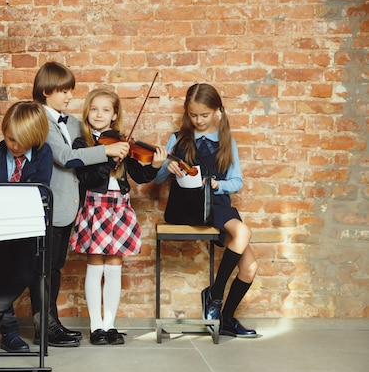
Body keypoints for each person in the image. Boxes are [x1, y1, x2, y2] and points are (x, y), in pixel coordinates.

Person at [29, 61, 130, 347]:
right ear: (46, 90)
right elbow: (65, 157)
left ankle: (51, 324)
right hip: (49, 204)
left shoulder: (71, 122)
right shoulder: (39, 119)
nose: (69, 97)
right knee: (43, 268)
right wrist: (106, 151)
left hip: (69, 206)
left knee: (55, 266)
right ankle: (43, 326)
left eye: (70, 91)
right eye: (64, 91)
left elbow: (88, 141)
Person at [154, 83, 258, 338]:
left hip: (217, 204)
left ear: (217, 112)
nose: (198, 121)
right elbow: (156, 180)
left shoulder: (226, 141)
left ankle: (224, 315)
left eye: (204, 115)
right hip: (188, 207)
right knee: (242, 233)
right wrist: (164, 167)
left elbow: (237, 181)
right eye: (193, 115)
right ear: (187, 113)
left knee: (250, 268)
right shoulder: (177, 139)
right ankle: (215, 296)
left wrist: (217, 184)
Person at [70, 89, 167, 345]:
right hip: (94, 207)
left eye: (105, 110)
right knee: (95, 266)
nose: (99, 114)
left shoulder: (123, 143)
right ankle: (95, 327)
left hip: (120, 208)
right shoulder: (83, 144)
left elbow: (140, 176)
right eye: (94, 109)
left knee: (114, 268)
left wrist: (155, 166)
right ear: (87, 113)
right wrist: (107, 155)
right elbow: (87, 178)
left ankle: (110, 325)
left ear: (114, 115)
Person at [0, 101, 53, 353]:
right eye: (9, 139)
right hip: (0, 226)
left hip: (27, 227)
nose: (13, 146)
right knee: (3, 278)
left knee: (24, 276)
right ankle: (10, 333)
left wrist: (7, 194)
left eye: (20, 142)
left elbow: (41, 188)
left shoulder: (43, 154)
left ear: (35, 138)